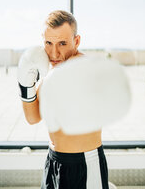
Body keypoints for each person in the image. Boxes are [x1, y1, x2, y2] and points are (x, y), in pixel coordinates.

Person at [18, 10, 109, 189]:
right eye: (48, 43)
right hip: (54, 160)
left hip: (84, 164)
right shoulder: (50, 71)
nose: (54, 53)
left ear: (76, 41)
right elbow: (33, 118)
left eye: (62, 43)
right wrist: (26, 86)